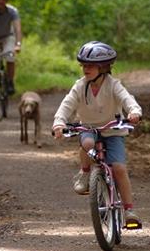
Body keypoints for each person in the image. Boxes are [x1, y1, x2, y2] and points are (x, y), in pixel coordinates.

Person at [52, 41, 142, 226]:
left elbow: (127, 99)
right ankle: (85, 173)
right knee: (87, 144)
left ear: (104, 67)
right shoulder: (80, 85)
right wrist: (59, 122)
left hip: (113, 130)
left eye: (90, 65)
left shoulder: (113, 85)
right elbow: (66, 105)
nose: (86, 69)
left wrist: (134, 112)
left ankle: (129, 210)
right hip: (89, 128)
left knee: (119, 168)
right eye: (84, 65)